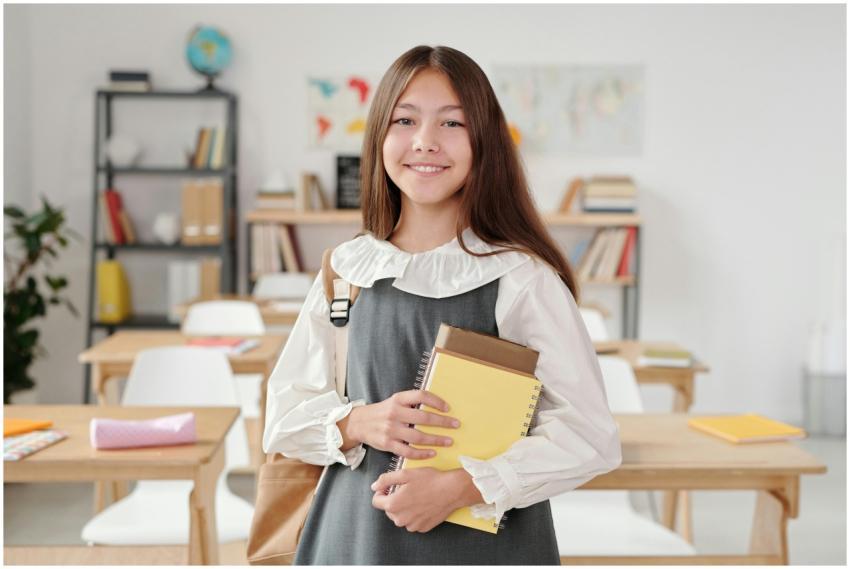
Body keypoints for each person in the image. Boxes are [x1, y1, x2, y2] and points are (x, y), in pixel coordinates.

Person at [263, 45, 622, 565]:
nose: (425, 142)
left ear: (483, 142)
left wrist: (461, 486)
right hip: (355, 541)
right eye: (404, 120)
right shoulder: (346, 270)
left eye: (452, 123)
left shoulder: (522, 279)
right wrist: (358, 423)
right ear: (379, 137)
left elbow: (590, 436)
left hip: (486, 547)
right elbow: (283, 417)